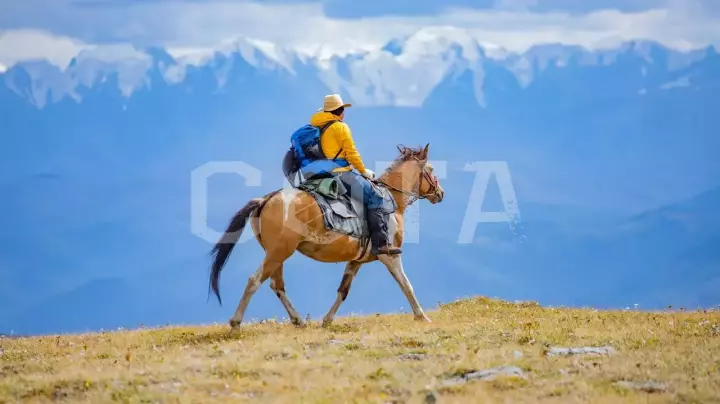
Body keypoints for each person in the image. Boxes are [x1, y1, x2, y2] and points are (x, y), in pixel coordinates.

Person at [308, 94, 402, 255]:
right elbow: (351, 153)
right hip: (340, 173)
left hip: (320, 173)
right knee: (376, 197)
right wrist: (363, 171)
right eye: (343, 109)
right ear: (340, 111)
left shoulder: (316, 126)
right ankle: (380, 244)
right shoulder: (340, 127)